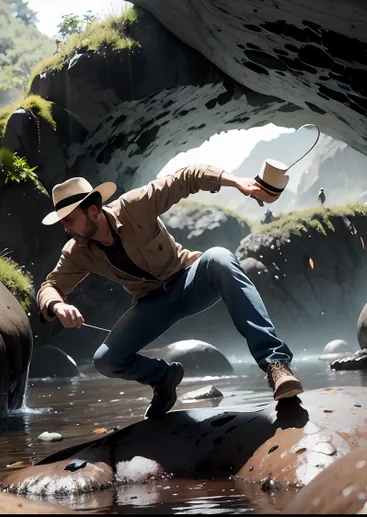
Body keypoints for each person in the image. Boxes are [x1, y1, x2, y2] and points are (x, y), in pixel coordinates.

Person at [37, 164, 303, 419]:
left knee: (220, 257)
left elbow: (186, 178)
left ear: (93, 212)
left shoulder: (135, 205)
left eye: (69, 219)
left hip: (190, 282)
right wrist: (57, 306)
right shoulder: (76, 253)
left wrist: (235, 182)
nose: (65, 228)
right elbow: (50, 287)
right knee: (106, 360)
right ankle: (164, 379)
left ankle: (275, 365)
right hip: (151, 305)